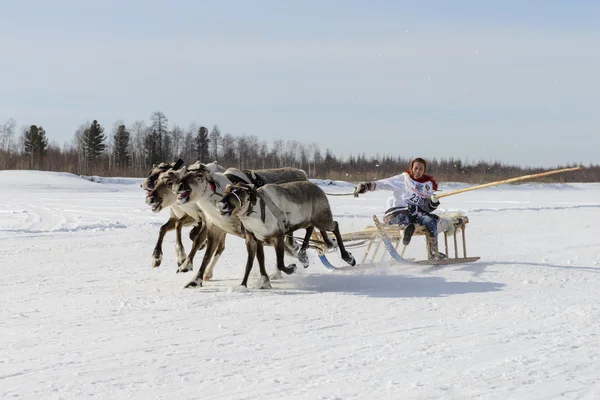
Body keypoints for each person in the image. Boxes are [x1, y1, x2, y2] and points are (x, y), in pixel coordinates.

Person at [354, 157, 445, 260]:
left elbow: (427, 208)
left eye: (420, 169)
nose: (417, 171)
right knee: (403, 218)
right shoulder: (403, 179)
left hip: (416, 215)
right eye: (416, 168)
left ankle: (433, 252)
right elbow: (383, 183)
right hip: (400, 212)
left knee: (431, 221)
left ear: (424, 170)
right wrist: (366, 186)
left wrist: (433, 202)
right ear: (411, 168)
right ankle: (406, 230)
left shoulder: (426, 185)